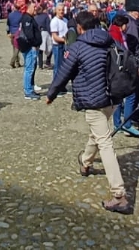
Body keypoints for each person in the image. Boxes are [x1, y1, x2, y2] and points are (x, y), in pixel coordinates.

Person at [45, 11, 132, 214]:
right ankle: (85, 163)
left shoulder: (78, 47)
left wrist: (51, 94)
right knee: (98, 133)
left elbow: (63, 73)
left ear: (80, 28)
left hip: (93, 100)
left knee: (104, 142)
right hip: (113, 98)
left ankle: (119, 195)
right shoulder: (110, 41)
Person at [15, 2, 44, 100]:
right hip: (30, 47)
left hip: (31, 46)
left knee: (31, 68)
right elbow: (29, 34)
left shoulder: (29, 17)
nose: (35, 8)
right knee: (29, 68)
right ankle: (28, 91)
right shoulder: (27, 18)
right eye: (33, 7)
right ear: (28, 8)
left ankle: (30, 88)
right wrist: (35, 43)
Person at [49, 5, 69, 80]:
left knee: (64, 67)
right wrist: (66, 40)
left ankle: (62, 85)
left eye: (63, 10)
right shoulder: (54, 21)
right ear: (56, 11)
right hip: (58, 46)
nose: (61, 11)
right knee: (57, 67)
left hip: (65, 45)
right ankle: (56, 86)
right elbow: (55, 36)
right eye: (60, 10)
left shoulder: (65, 20)